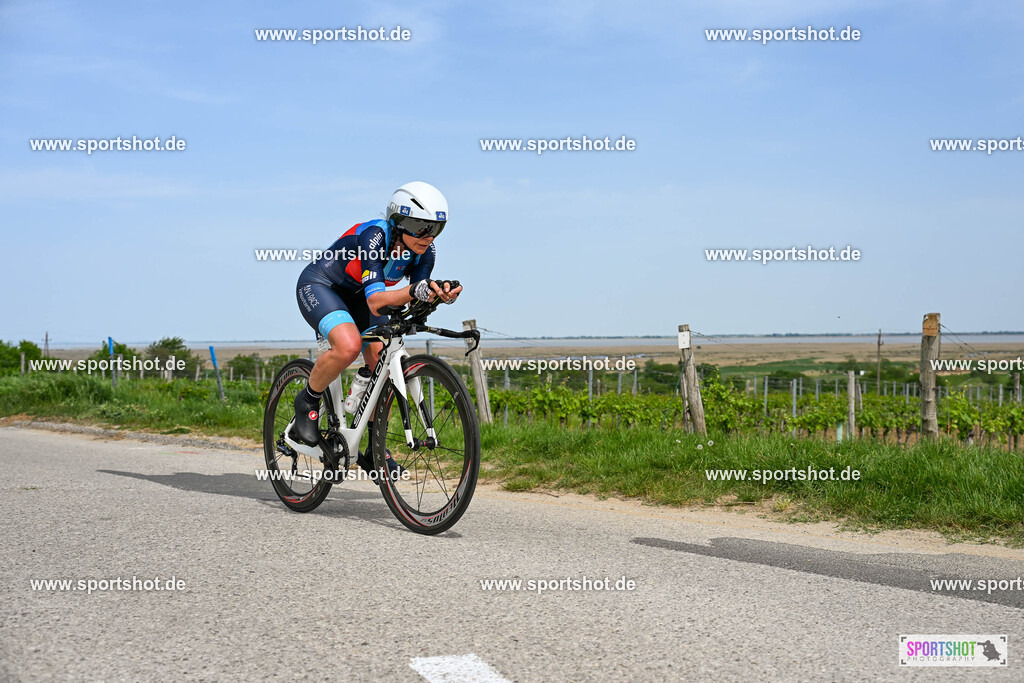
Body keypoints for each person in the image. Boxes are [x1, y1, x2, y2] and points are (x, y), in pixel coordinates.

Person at [291, 181, 462, 473]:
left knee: (383, 358)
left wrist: (435, 294)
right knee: (348, 346)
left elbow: (408, 298)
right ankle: (305, 404)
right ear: (398, 221)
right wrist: (416, 291)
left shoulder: (425, 253)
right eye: (420, 226)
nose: (428, 236)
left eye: (435, 228)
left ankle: (374, 447)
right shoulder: (374, 236)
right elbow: (377, 302)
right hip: (323, 286)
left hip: (364, 297)